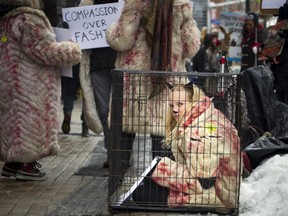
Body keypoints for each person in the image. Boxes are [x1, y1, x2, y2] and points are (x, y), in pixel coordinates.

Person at [105, 0, 201, 172]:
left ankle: (117, 184)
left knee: (124, 136)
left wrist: (112, 29)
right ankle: (159, 188)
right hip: (169, 83)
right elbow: (191, 48)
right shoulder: (181, 5)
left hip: (134, 83)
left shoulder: (136, 3)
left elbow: (120, 41)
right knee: (164, 138)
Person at [0, 0, 82, 181]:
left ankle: (13, 163)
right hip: (32, 85)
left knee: (14, 121)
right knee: (31, 122)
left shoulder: (6, 20)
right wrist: (72, 49)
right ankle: (27, 165)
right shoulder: (29, 18)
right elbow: (43, 49)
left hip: (10, 83)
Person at [132, 82, 241, 211]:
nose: (174, 110)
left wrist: (163, 171)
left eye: (180, 104)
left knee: (140, 193)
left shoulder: (196, 132)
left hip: (217, 197)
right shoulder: (209, 114)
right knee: (152, 177)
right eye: (172, 105)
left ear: (193, 101)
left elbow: (204, 182)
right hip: (225, 189)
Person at [78, 0, 118, 168]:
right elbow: (76, 28)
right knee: (104, 111)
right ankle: (112, 154)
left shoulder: (127, 5)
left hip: (121, 66)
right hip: (97, 66)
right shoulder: (87, 5)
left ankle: (123, 152)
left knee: (120, 112)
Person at [61, 63, 90, 137]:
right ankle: (85, 127)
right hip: (84, 66)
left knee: (69, 93)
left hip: (71, 65)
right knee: (86, 96)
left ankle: (68, 112)